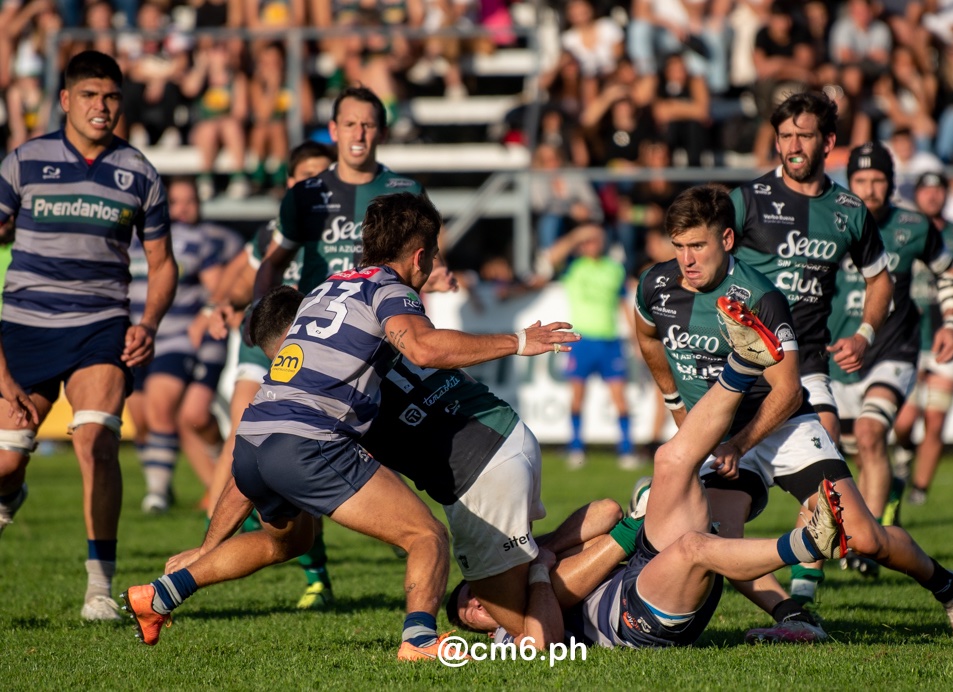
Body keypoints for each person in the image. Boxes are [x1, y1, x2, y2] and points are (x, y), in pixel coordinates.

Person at [120, 192, 582, 660]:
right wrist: (519, 339)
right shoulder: (387, 288)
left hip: (256, 439)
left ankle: (160, 594)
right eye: (435, 254)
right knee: (426, 536)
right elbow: (422, 348)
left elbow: (245, 480)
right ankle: (419, 638)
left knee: (289, 542)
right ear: (420, 255)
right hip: (315, 443)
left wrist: (205, 549)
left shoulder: (323, 292)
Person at [455, 298, 953, 648]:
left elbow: (608, 512)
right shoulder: (513, 634)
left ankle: (744, 364)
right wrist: (544, 567)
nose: (480, 601)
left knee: (669, 462)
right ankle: (805, 547)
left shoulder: (521, 570)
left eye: (472, 592)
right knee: (696, 547)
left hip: (646, 559)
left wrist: (538, 546)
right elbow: (544, 638)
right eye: (472, 612)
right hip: (635, 615)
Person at [634, 185, 953, 643]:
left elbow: (787, 390)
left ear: (725, 240)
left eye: (697, 245)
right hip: (719, 436)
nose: (687, 260)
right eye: (678, 247)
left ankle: (951, 590)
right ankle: (794, 616)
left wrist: (739, 445)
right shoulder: (656, 285)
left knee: (861, 537)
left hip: (781, 426)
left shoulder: (760, 298)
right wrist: (676, 405)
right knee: (717, 540)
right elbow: (646, 337)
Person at [247, 284, 644, 645]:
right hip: (508, 433)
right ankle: (627, 527)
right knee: (580, 531)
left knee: (529, 632)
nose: (289, 368)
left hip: (474, 470)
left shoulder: (326, 382)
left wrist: (539, 568)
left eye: (283, 356)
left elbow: (541, 643)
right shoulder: (367, 327)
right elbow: (604, 510)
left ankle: (619, 537)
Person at [0, 50, 177, 621]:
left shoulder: (140, 172)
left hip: (100, 328)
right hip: (24, 328)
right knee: (7, 461)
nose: (102, 108)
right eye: (90, 96)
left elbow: (163, 262)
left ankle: (99, 589)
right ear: (65, 100)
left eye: (111, 97)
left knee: (96, 439)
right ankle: (9, 490)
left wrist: (147, 322)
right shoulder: (24, 163)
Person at [729, 90, 893, 608]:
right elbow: (705, 259)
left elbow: (879, 280)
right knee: (714, 506)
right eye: (784, 136)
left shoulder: (849, 210)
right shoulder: (749, 198)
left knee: (829, 465)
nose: (793, 145)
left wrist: (865, 333)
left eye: (803, 135)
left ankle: (802, 588)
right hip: (744, 366)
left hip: (809, 362)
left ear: (829, 142)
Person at [200, 141, 336, 608]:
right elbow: (239, 280)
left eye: (322, 178)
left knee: (297, 446)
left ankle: (315, 571)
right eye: (305, 178)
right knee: (245, 430)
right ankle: (211, 541)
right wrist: (220, 306)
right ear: (289, 183)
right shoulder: (274, 232)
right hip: (265, 337)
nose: (313, 187)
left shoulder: (342, 234)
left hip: (316, 344)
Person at [828, 143, 953, 555]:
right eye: (861, 181)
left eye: (878, 180)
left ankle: (867, 546)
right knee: (839, 447)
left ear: (891, 183)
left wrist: (952, 324)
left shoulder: (914, 225)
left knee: (871, 434)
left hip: (894, 348)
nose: (870, 189)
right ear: (849, 183)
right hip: (837, 353)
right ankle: (881, 499)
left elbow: (949, 270)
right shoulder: (830, 223)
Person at [126, 175, 242, 515]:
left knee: (179, 411)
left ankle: (160, 493)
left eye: (189, 201)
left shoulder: (206, 240)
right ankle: (212, 486)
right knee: (145, 417)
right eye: (175, 202)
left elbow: (220, 290)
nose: (182, 209)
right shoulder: (134, 240)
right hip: (135, 338)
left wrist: (211, 313)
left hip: (180, 339)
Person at [253, 85, 422, 300]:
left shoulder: (408, 192)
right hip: (317, 326)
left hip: (381, 325)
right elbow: (271, 265)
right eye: (349, 124)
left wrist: (435, 273)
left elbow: (427, 260)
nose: (358, 135)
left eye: (368, 125)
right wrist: (260, 311)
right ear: (334, 130)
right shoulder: (304, 193)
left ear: (382, 133)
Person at [892, 172, 953, 506]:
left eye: (938, 190)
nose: (932, 196)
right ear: (916, 195)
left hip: (946, 341)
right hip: (907, 339)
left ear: (947, 194)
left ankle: (918, 491)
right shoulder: (903, 232)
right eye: (926, 190)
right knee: (903, 420)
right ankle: (903, 451)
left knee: (935, 421)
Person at [545, 224, 638, 470]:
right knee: (577, 397)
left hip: (609, 341)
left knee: (620, 398)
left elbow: (623, 303)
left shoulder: (614, 269)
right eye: (586, 241)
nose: (591, 244)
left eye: (595, 239)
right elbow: (550, 258)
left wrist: (635, 337)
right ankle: (576, 447)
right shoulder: (574, 267)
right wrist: (576, 234)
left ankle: (626, 449)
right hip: (581, 341)